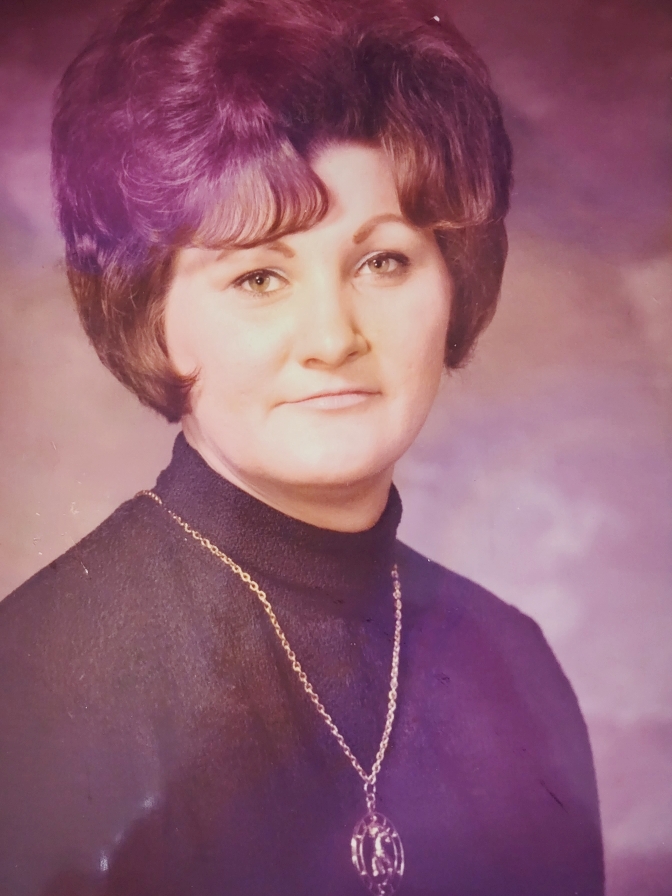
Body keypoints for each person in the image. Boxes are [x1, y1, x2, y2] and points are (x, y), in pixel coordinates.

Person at [0, 0, 604, 894]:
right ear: (152, 316)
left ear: (455, 283)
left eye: (383, 261)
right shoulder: (34, 683)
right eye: (259, 276)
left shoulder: (514, 666)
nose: (332, 337)